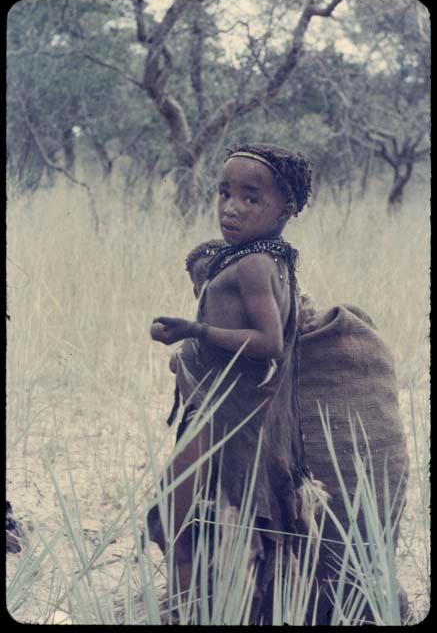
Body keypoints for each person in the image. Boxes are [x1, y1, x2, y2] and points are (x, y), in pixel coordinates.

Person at [148, 143, 323, 623]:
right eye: (224, 193)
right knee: (194, 505)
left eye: (250, 198)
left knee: (196, 508)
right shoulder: (260, 257)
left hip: (233, 411)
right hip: (221, 404)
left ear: (286, 208)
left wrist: (195, 331)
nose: (231, 207)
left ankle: (203, 608)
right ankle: (194, 605)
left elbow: (268, 342)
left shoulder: (255, 265)